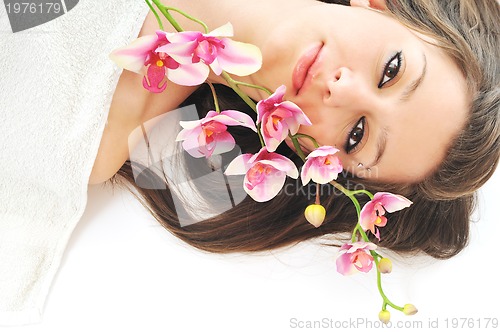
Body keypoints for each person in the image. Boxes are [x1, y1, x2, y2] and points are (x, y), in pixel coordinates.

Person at [90, 0, 499, 259]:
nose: (342, 88)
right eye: (391, 70)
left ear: (309, 159)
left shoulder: (94, 140)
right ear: (380, 6)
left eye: (356, 134)